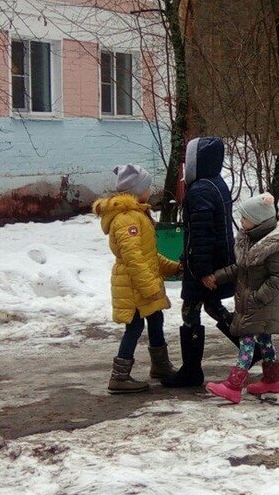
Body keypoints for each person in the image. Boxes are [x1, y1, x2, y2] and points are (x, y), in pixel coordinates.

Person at [163, 136, 247, 388]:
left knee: (191, 311)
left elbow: (200, 234)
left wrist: (200, 270)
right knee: (211, 306)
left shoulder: (199, 190)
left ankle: (191, 370)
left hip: (204, 265)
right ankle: (251, 349)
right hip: (214, 259)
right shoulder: (215, 184)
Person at [93, 164, 181, 394]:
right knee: (134, 325)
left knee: (155, 319)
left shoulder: (137, 215)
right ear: (136, 190)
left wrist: (173, 268)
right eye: (147, 186)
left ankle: (160, 366)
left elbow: (147, 254)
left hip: (139, 282)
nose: (150, 190)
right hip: (134, 285)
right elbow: (134, 259)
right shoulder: (127, 219)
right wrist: (150, 287)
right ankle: (119, 377)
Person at [206, 193, 279, 403]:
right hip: (254, 303)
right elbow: (240, 269)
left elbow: (278, 278)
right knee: (264, 340)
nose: (241, 222)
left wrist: (257, 298)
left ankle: (234, 384)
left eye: (244, 218)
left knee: (247, 340)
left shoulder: (275, 246)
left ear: (258, 220)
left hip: (262, 303)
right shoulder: (251, 239)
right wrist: (217, 278)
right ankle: (272, 379)